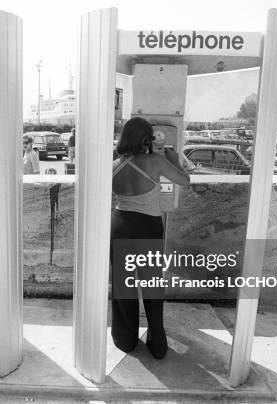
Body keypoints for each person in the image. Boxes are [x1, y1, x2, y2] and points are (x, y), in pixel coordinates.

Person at [111, 117, 190, 359]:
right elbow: (184, 181)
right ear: (146, 138)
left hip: (120, 225)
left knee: (123, 285)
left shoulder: (114, 164)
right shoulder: (156, 161)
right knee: (152, 285)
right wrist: (175, 160)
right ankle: (157, 343)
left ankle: (125, 340)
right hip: (148, 227)